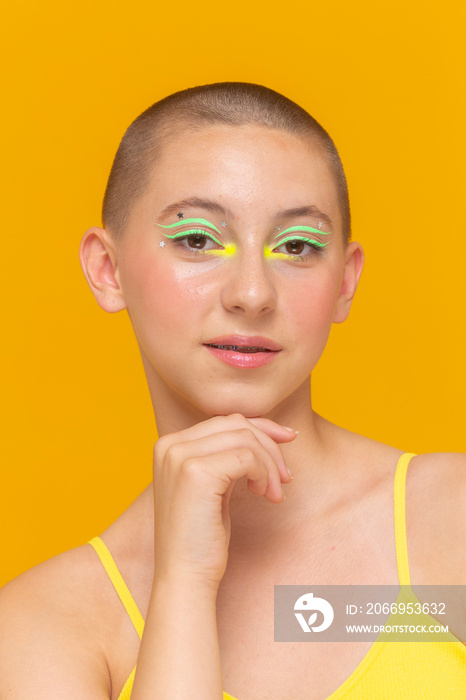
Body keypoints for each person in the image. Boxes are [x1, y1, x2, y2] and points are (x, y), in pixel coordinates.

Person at [0, 82, 465, 700]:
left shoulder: (450, 520)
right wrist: (185, 581)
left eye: (297, 247)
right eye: (197, 239)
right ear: (107, 270)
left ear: (346, 282)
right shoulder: (42, 627)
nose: (252, 293)